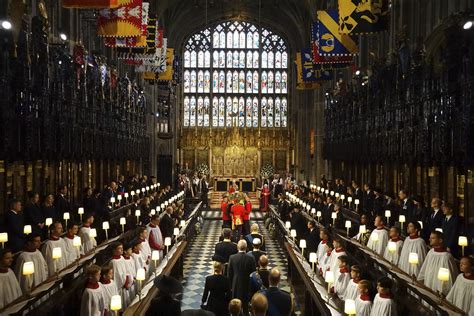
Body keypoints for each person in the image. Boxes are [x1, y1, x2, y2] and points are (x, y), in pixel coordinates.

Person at [228, 240, 256, 314]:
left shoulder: (232, 257)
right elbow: (253, 273)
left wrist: (230, 285)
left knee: (235, 305)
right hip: (247, 283)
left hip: (235, 283)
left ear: (237, 247)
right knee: (245, 304)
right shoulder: (251, 258)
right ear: (246, 247)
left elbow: (230, 273)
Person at [110, 242, 134, 308]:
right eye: (119, 248)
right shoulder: (113, 262)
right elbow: (116, 276)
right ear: (114, 250)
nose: (122, 250)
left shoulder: (122, 258)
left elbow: (126, 271)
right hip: (119, 288)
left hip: (125, 284)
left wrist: (127, 281)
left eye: (122, 248)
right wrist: (124, 283)